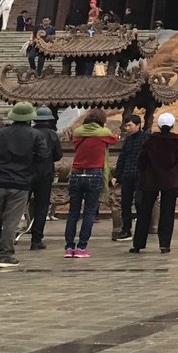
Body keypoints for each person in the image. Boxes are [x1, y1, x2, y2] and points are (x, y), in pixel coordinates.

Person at [0, 102, 50, 270]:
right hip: (20, 184)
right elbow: (44, 157)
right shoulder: (35, 135)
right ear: (30, 118)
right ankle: (5, 255)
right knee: (11, 221)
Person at [64, 109, 120, 258]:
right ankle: (82, 247)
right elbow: (114, 140)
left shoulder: (78, 132)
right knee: (89, 212)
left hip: (76, 174)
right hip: (94, 174)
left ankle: (69, 247)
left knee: (73, 212)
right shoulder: (103, 133)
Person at [131, 112, 178, 254]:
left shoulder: (150, 139)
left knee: (144, 211)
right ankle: (164, 244)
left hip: (150, 180)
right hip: (171, 181)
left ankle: (138, 244)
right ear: (172, 125)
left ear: (158, 125)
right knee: (167, 212)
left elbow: (141, 160)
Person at [27, 107, 61, 250]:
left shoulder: (29, 133)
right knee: (41, 207)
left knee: (19, 204)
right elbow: (58, 155)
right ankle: (36, 239)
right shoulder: (52, 135)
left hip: (26, 173)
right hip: (45, 174)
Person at [112, 114, 150, 241]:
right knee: (125, 204)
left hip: (141, 175)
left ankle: (142, 230)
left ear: (138, 125)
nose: (127, 128)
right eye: (126, 126)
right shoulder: (127, 140)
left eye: (130, 125)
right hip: (127, 175)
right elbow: (122, 158)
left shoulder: (146, 138)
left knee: (140, 202)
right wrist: (117, 175)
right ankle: (126, 229)